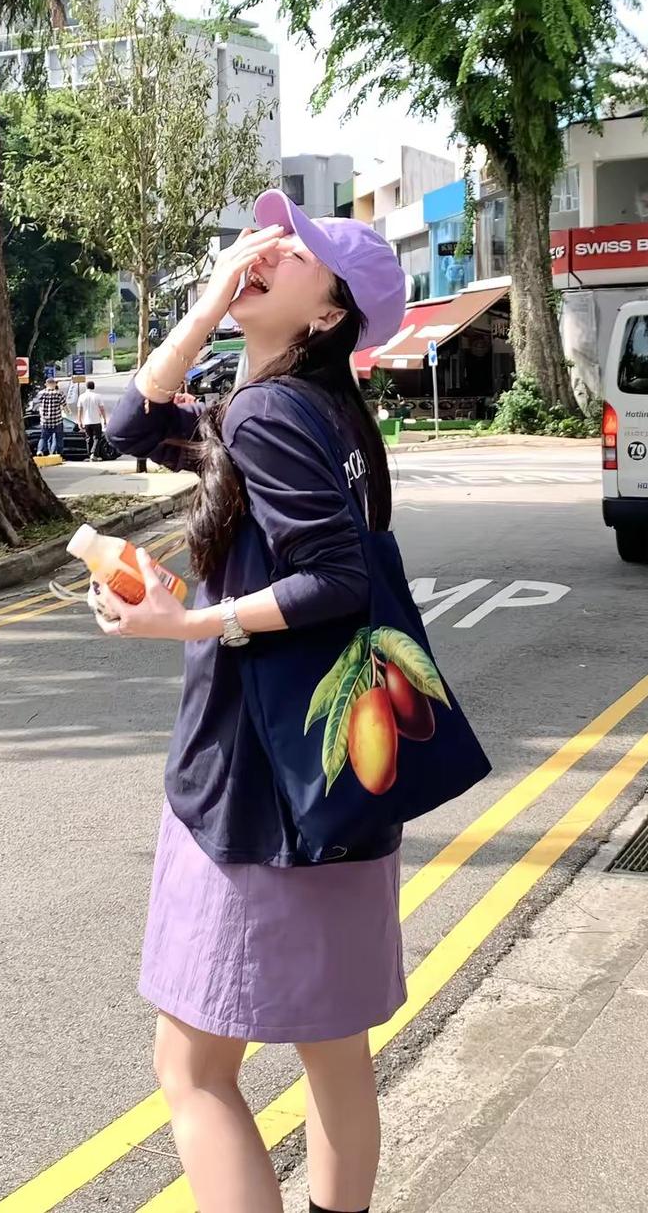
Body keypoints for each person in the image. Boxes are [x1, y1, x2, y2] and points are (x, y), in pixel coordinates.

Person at [100, 189, 409, 1213]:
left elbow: (335, 582)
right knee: (333, 1051)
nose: (265, 253)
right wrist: (207, 305)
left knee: (193, 1070)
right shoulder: (325, 414)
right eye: (265, 241)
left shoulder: (269, 413)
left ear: (328, 313)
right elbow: (132, 421)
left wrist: (184, 624)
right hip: (338, 767)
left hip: (253, 788)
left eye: (296, 252)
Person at [34, 376, 67, 456]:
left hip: (45, 421)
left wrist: (41, 412)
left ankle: (40, 450)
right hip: (57, 420)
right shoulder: (59, 393)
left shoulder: (40, 393)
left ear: (46, 384)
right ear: (54, 384)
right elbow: (64, 405)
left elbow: (36, 405)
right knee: (58, 438)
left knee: (43, 437)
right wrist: (67, 411)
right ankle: (58, 453)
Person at [77, 379, 108, 460]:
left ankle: (90, 454)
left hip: (86, 421)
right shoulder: (97, 396)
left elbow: (79, 410)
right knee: (97, 438)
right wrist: (104, 419)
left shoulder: (81, 396)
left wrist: (79, 421)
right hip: (96, 420)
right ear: (93, 387)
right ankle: (94, 453)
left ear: (86, 387)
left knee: (88, 438)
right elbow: (102, 409)